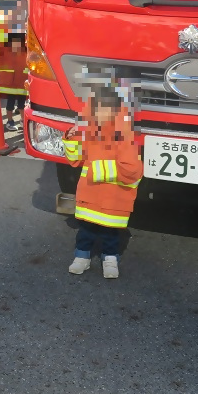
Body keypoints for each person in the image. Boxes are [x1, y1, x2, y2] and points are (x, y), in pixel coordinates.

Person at [62, 86, 143, 279]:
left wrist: (97, 170)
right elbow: (75, 159)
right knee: (86, 230)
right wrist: (71, 138)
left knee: (110, 233)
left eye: (106, 108)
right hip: (90, 195)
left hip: (114, 197)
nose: (101, 113)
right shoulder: (88, 132)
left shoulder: (124, 135)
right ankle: (82, 257)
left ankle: (110, 259)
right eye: (97, 108)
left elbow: (132, 169)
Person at [0, 34, 28, 132]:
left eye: (18, 42)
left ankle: (23, 121)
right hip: (9, 84)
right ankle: (10, 121)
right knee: (10, 104)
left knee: (22, 105)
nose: (16, 44)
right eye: (14, 42)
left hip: (21, 83)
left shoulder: (26, 51)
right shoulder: (5, 51)